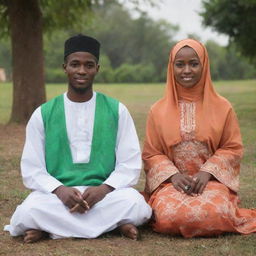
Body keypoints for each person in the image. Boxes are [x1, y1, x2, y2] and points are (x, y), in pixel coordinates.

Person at [4, 34, 152, 243]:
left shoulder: (116, 110)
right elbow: (32, 168)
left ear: (97, 69)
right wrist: (60, 190)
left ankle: (48, 229)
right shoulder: (43, 113)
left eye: (88, 65)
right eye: (75, 64)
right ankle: (117, 224)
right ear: (65, 67)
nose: (81, 71)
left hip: (105, 196)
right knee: (29, 209)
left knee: (135, 204)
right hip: (56, 198)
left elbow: (129, 164)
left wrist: (104, 189)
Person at [142, 38, 256, 237]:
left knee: (214, 213)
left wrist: (207, 172)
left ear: (204, 65)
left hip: (212, 183)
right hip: (171, 184)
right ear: (172, 67)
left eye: (194, 64)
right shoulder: (157, 110)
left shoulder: (223, 107)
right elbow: (152, 153)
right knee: (168, 217)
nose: (187, 70)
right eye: (180, 64)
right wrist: (173, 176)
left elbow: (232, 148)